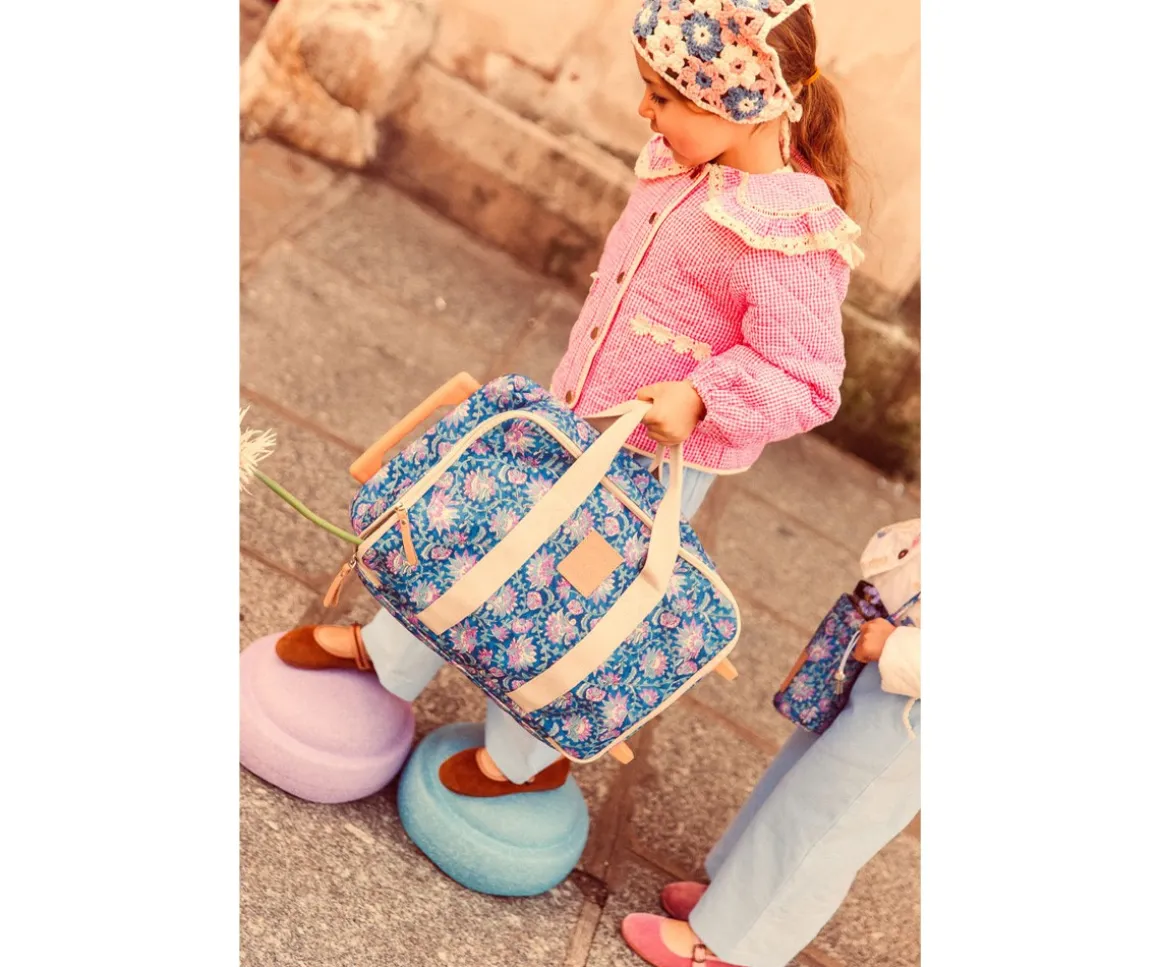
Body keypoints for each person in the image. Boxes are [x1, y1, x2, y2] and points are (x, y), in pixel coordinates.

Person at [273, 0, 861, 800]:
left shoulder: (787, 234)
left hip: (651, 463)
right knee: (496, 535)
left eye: (662, 95)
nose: (644, 110)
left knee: (565, 596)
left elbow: (808, 377)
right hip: (575, 418)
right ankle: (392, 652)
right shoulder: (687, 164)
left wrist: (701, 398)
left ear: (734, 101)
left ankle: (529, 752)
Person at [621, 518, 921, 967]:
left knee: (826, 819)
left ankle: (734, 946)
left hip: (915, 698)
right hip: (893, 650)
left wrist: (900, 648)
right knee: (796, 783)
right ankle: (729, 904)